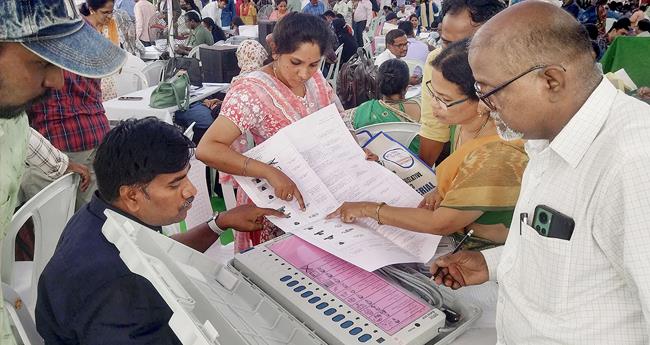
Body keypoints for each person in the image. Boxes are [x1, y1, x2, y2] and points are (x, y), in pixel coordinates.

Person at [431, 2, 650, 343]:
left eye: (488, 91)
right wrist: (494, 264)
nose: (486, 105)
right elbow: (577, 256)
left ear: (550, 80)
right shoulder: (547, 137)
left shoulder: (633, 161)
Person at [36, 118, 286, 344]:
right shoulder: (123, 289)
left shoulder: (101, 215)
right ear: (132, 195)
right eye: (175, 184)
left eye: (186, 177)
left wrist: (220, 222)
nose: (191, 191)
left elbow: (158, 252)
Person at [0, 0, 126, 342]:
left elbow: (22, 133)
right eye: (41, 61)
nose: (58, 79)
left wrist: (58, 162)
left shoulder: (11, 116)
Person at [331, 40, 527, 251]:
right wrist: (441, 191)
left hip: (478, 249)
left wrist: (367, 209)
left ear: (484, 100)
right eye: (432, 93)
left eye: (443, 99)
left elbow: (440, 223)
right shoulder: (464, 123)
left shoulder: (498, 152)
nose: (432, 105)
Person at [196, 13, 344, 252]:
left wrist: (356, 147)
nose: (305, 74)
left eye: (313, 64)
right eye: (295, 63)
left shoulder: (316, 81)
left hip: (319, 194)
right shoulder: (252, 91)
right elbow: (208, 149)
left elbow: (338, 121)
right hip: (274, 202)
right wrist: (269, 172)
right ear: (275, 50)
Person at [418, 0, 505, 167]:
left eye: (465, 47)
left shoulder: (515, 80)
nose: (450, 55)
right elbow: (433, 128)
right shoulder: (436, 64)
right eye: (446, 43)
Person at [346, 59, 422, 153]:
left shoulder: (363, 110)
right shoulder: (420, 108)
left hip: (373, 164)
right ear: (406, 88)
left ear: (378, 84)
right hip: (411, 164)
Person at [80, 0, 121, 101]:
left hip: (108, 81)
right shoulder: (82, 29)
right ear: (91, 10)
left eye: (111, 12)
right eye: (105, 12)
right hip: (88, 82)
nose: (109, 16)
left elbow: (116, 48)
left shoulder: (110, 25)